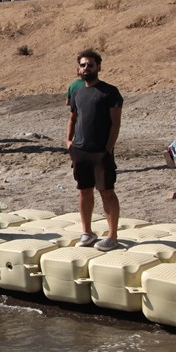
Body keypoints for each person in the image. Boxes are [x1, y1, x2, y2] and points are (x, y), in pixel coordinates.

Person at [66, 50, 124, 251]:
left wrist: (108, 148)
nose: (86, 68)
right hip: (80, 150)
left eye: (90, 64)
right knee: (84, 191)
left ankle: (112, 236)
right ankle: (87, 232)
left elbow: (115, 123)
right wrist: (69, 141)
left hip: (100, 151)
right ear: (78, 69)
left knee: (106, 191)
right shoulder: (77, 91)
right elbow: (73, 118)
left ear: (98, 67)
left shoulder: (110, 92)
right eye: (83, 65)